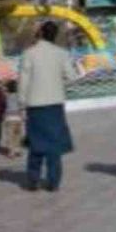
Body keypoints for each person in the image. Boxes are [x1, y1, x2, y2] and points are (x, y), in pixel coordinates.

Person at [19, 21, 80, 191]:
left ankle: (33, 180)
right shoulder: (61, 54)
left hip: (35, 105)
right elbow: (72, 77)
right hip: (55, 104)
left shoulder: (29, 53)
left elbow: (23, 82)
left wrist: (22, 104)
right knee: (54, 145)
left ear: (41, 33)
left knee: (36, 144)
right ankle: (53, 182)